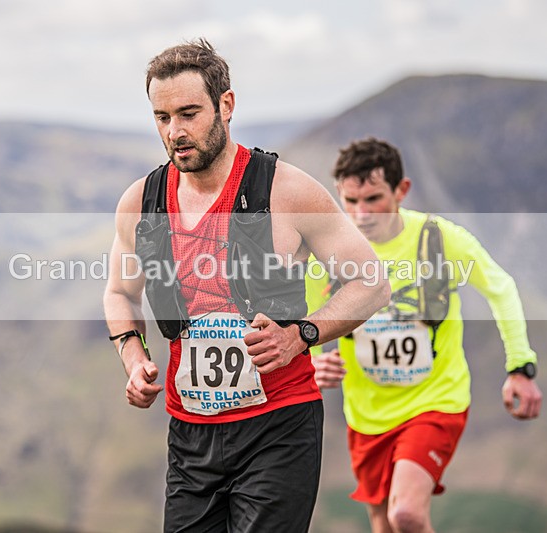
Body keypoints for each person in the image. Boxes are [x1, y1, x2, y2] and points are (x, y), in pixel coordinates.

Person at [103, 40, 390, 533]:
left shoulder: (287, 190)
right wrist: (134, 359)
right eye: (162, 117)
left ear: (226, 105)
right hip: (190, 431)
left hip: (279, 427)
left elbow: (372, 284)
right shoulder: (140, 202)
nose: (176, 132)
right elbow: (119, 293)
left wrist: (299, 334)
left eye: (189, 113)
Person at [307, 137, 543, 533]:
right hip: (367, 414)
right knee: (383, 523)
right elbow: (309, 317)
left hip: (436, 400)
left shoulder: (438, 239)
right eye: (350, 201)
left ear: (402, 190)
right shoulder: (332, 250)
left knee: (407, 516)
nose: (361, 214)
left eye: (373, 199)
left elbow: (500, 287)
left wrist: (520, 365)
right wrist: (315, 362)